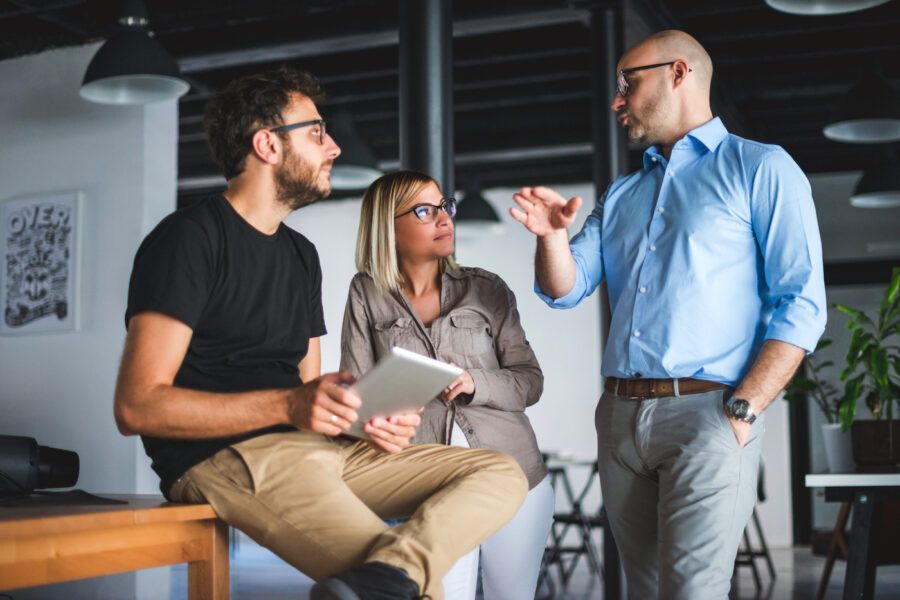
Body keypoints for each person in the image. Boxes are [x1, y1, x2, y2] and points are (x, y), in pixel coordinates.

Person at [113, 66, 527, 600]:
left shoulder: (300, 255)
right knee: (424, 593)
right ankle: (396, 578)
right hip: (225, 459)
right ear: (267, 145)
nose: (333, 147)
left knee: (500, 473)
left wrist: (359, 419)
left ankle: (392, 573)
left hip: (320, 454)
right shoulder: (188, 239)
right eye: (316, 132)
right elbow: (137, 407)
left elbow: (312, 393)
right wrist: (290, 406)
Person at [510, 30, 826, 599]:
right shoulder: (625, 192)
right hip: (620, 417)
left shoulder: (761, 168)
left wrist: (741, 411)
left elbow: (801, 303)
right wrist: (552, 237)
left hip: (709, 414)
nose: (616, 99)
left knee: (692, 592)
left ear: (678, 73)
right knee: (642, 589)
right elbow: (566, 286)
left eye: (627, 82)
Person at [340, 170, 554, 600]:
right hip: (429, 484)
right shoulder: (366, 292)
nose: (444, 219)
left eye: (445, 206)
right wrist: (378, 416)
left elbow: (530, 382)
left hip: (516, 475)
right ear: (389, 226)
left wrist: (476, 381)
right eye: (424, 210)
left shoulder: (486, 288)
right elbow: (357, 400)